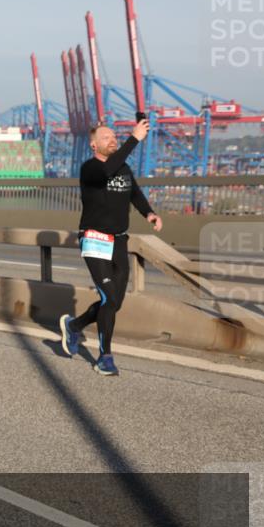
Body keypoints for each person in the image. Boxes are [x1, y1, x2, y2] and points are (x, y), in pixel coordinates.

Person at [59, 119, 162, 376]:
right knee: (109, 298)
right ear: (94, 145)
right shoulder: (90, 169)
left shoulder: (123, 168)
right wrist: (134, 139)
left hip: (119, 240)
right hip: (94, 238)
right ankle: (105, 357)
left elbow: (134, 192)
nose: (113, 140)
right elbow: (107, 171)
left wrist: (149, 213)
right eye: (106, 137)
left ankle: (74, 326)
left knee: (114, 303)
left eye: (114, 137)